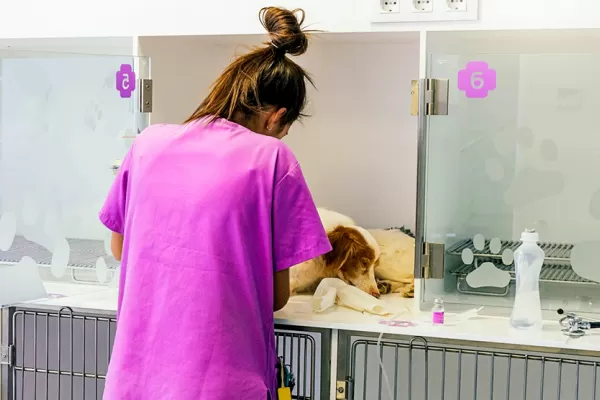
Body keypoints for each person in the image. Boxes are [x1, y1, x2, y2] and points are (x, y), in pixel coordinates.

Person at [99, 6, 331, 400]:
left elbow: (119, 247)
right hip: (223, 383)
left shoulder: (147, 143)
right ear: (276, 118)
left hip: (135, 380)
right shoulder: (272, 158)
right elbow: (277, 298)